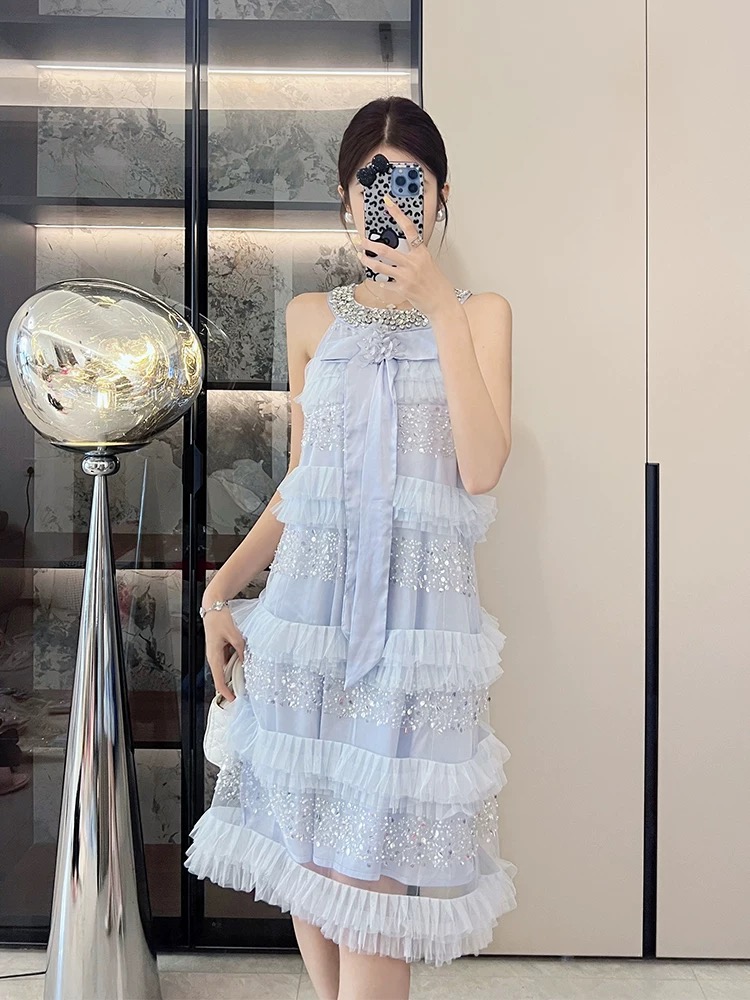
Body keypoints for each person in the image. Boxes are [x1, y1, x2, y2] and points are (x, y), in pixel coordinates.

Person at [185, 95, 517, 1000]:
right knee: (311, 864)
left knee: (369, 885)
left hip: (410, 642)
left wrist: (440, 309)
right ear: (344, 200)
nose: (392, 203)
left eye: (411, 184)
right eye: (373, 186)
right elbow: (302, 488)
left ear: (441, 196)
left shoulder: (481, 315)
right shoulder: (309, 317)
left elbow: (482, 467)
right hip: (308, 626)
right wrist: (218, 594)